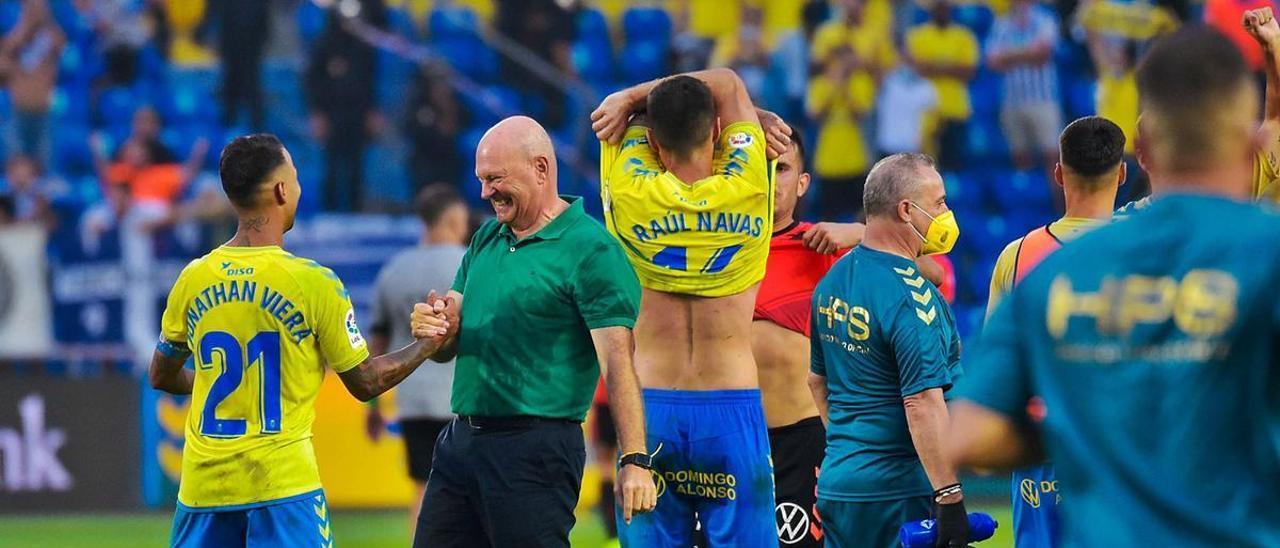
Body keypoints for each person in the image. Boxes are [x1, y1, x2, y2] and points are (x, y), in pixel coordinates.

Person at [948, 27, 1280, 546]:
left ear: (1142, 151)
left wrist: (1095, 429)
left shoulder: (1061, 270)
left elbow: (968, 434)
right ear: (1252, 143)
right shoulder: (1265, 252)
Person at [149, 133, 452, 546]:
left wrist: (209, 378)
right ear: (280, 190)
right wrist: (429, 343)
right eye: (294, 177)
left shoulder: (194, 278)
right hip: (283, 489)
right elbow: (366, 381)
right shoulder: (313, 282)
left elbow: (161, 375)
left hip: (203, 492)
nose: (298, 187)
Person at [408, 116, 656, 548]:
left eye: (495, 179)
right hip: (461, 441)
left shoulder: (592, 250)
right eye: (481, 180)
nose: (485, 193)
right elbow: (449, 339)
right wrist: (434, 327)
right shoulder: (486, 237)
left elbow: (618, 363)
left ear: (540, 168)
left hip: (535, 450)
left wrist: (634, 459)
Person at [591, 67, 787, 547]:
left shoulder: (629, 191)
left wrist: (627, 98)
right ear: (717, 131)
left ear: (654, 144)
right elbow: (728, 82)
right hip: (731, 407)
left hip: (650, 410)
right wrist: (751, 115)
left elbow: (634, 119)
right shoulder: (750, 184)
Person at [808, 153, 968, 548]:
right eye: (939, 203)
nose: (946, 213)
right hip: (898, 493)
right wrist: (949, 496)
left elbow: (817, 382)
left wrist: (852, 448)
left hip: (839, 484)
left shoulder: (832, 280)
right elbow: (922, 403)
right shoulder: (913, 297)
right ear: (906, 210)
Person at [985, 116, 1126, 548]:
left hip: (1042, 448)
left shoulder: (1017, 255)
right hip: (1122, 449)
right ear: (1122, 173)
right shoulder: (1146, 250)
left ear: (1059, 173)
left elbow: (996, 366)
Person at [364, 184, 470, 530]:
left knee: (424, 489)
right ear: (454, 220)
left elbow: (377, 342)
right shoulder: (469, 263)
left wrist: (373, 407)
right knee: (469, 491)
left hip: (411, 399)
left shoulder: (393, 270)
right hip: (462, 397)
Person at [305, 0, 386, 212]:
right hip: (332, 113)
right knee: (332, 165)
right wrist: (317, 113)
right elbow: (312, 81)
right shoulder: (323, 45)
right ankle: (330, 212)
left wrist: (372, 111)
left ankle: (355, 210)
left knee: (356, 166)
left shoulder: (363, 48)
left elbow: (370, 81)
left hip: (357, 113)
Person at [988, 0, 1063, 172]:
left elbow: (1042, 53)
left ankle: (1056, 191)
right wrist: (1028, 52)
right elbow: (993, 61)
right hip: (1012, 101)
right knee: (1020, 156)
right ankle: (1026, 189)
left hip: (1043, 99)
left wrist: (1009, 55)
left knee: (1053, 156)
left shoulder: (1045, 19)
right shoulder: (1001, 23)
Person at [905, 0, 980, 170]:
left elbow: (969, 72)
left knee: (955, 165)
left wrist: (933, 65)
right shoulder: (917, 36)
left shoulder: (964, 36)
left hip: (956, 110)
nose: (941, 9)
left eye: (944, 6)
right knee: (924, 169)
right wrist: (951, 65)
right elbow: (918, 69)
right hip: (925, 114)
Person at [0, 0, 65, 168]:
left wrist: (46, 21)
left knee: (46, 164)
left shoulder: (50, 38)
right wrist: (24, 27)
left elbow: (63, 48)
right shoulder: (12, 39)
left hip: (45, 112)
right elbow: (3, 65)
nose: (35, 10)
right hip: (17, 111)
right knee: (14, 163)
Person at [212, 0, 270, 130]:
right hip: (231, 40)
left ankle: (255, 126)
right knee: (232, 80)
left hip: (251, 42)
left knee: (251, 81)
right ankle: (229, 125)